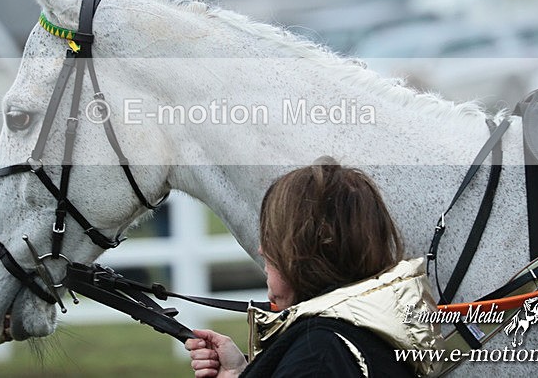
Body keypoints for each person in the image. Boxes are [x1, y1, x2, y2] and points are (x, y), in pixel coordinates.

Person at [185, 157, 443, 377]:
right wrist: (240, 373)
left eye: (273, 235)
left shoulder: (317, 357)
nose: (261, 249)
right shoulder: (359, 335)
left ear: (306, 251)